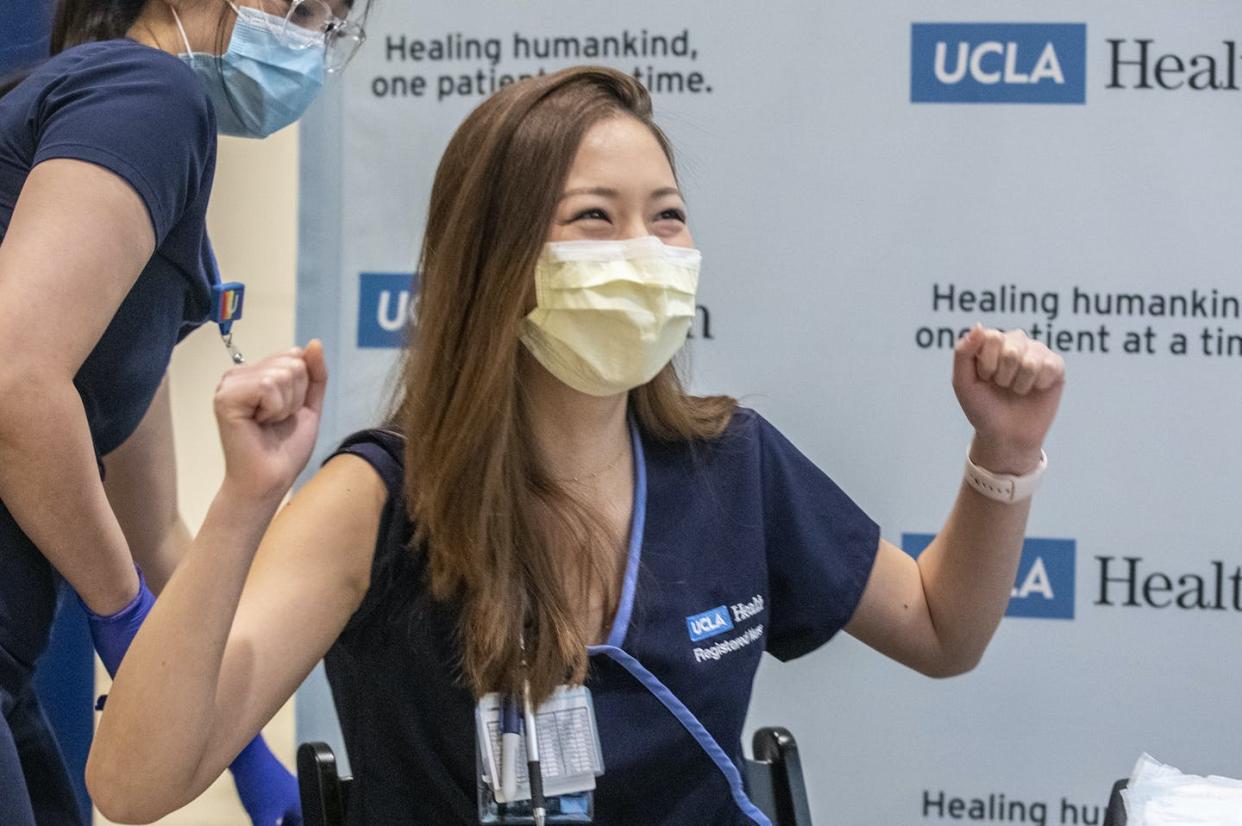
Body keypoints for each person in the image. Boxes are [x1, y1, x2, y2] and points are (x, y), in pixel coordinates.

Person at [87, 66, 1067, 825]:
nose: (645, 251)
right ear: (498, 260)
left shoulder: (733, 465)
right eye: (595, 219)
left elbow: (944, 630)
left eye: (667, 217)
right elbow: (134, 782)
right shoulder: (378, 500)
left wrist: (1004, 454)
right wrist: (245, 503)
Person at [0, 0, 366, 823]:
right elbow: (15, 380)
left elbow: (150, 526)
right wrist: (118, 613)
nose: (308, 42)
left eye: (329, 23)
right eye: (299, 9)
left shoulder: (114, 134)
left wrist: (244, 753)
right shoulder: (149, 96)